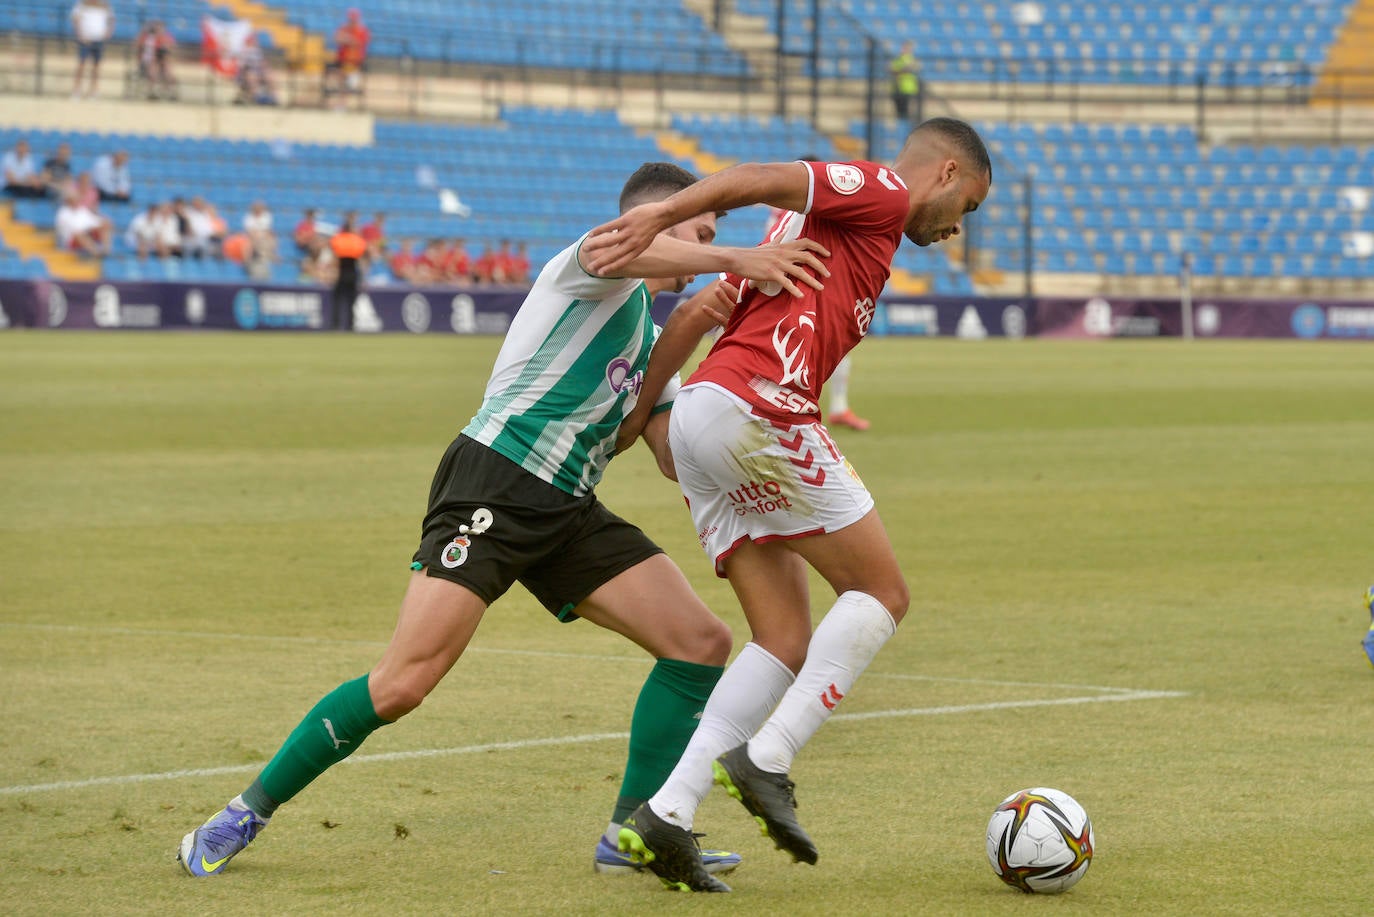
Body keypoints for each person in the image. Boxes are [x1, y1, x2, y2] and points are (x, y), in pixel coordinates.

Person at [175, 161, 827, 880]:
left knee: (699, 643)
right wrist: (737, 258)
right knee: (403, 682)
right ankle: (246, 810)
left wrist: (718, 370)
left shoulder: (648, 335)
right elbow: (624, 249)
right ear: (658, 219)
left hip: (568, 507)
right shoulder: (592, 267)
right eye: (700, 229)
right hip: (498, 480)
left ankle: (629, 833)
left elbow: (663, 452)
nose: (707, 245)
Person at [586, 117, 991, 892]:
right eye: (964, 206)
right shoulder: (876, 192)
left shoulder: (816, 237)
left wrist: (641, 418)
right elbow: (761, 173)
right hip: (758, 409)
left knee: (781, 638)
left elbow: (702, 311)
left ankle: (665, 814)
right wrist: (659, 216)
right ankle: (768, 757)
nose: (955, 229)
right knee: (882, 592)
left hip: (707, 412)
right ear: (943, 174)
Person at [328, 216, 367, 330]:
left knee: (337, 299)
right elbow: (361, 259)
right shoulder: (357, 240)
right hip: (353, 273)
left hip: (342, 273)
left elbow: (334, 256)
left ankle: (336, 324)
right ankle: (351, 325)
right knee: (351, 300)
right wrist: (363, 276)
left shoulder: (338, 239)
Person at [70, 0, 114, 98]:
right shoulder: (81, 4)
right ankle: (76, 90)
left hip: (99, 39)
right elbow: (75, 19)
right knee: (81, 65)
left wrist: (107, 34)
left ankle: (94, 91)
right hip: (85, 39)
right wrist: (80, 35)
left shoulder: (105, 5)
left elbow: (111, 20)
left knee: (96, 67)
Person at [326, 7, 370, 107]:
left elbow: (358, 43)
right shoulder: (344, 28)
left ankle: (343, 100)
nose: (352, 21)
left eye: (354, 19)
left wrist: (347, 39)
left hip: (355, 61)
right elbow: (337, 38)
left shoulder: (362, 31)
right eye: (351, 19)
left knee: (347, 80)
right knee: (337, 75)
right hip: (342, 60)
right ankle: (340, 100)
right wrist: (347, 39)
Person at [55, 188, 112, 256]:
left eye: (77, 199)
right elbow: (70, 230)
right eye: (74, 199)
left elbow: (94, 222)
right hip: (71, 239)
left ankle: (106, 251)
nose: (76, 201)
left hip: (87, 233)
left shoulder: (82, 210)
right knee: (79, 234)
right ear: (69, 200)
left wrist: (102, 222)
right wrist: (88, 229)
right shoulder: (63, 212)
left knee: (106, 223)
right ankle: (96, 253)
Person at [135, 19, 177, 100]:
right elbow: (140, 47)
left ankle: (169, 92)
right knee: (153, 69)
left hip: (162, 61)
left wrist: (165, 49)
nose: (159, 29)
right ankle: (152, 91)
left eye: (161, 28)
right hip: (149, 62)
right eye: (157, 27)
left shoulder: (166, 37)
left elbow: (171, 50)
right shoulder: (147, 37)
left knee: (167, 69)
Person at [890, 41, 921, 124]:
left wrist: (903, 70)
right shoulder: (898, 59)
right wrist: (904, 69)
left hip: (908, 89)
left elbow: (915, 68)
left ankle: (905, 127)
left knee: (906, 112)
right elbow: (892, 70)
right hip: (898, 88)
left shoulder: (912, 59)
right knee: (900, 112)